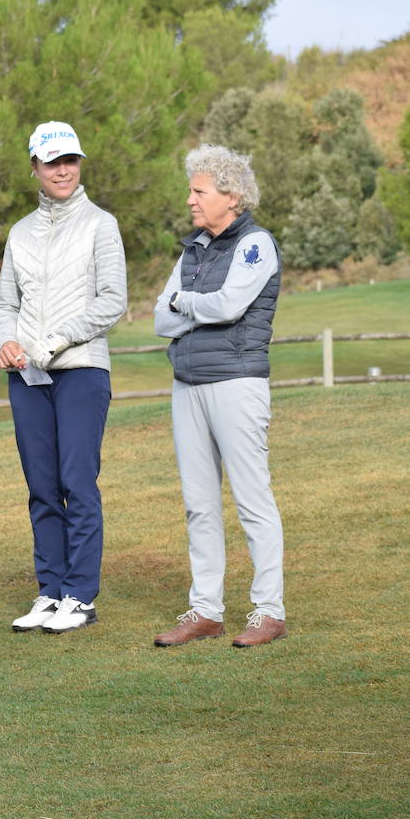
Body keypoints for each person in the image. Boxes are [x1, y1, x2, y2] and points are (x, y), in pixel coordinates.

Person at [0, 121, 128, 634]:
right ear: (35, 167)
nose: (63, 170)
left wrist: (54, 342)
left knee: (77, 481)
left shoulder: (101, 224)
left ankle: (80, 596)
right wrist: (8, 339)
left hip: (81, 370)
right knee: (42, 486)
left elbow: (112, 301)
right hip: (26, 375)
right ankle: (50, 591)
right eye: (52, 162)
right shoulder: (20, 232)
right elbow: (6, 303)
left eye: (70, 160)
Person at [151, 144, 287, 648]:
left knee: (252, 499)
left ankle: (269, 612)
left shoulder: (255, 244)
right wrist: (191, 307)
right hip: (187, 384)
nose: (189, 199)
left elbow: (229, 306)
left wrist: (186, 301)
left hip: (236, 382)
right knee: (199, 504)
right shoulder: (193, 248)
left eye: (199, 190)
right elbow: (159, 318)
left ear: (229, 196)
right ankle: (206, 611)